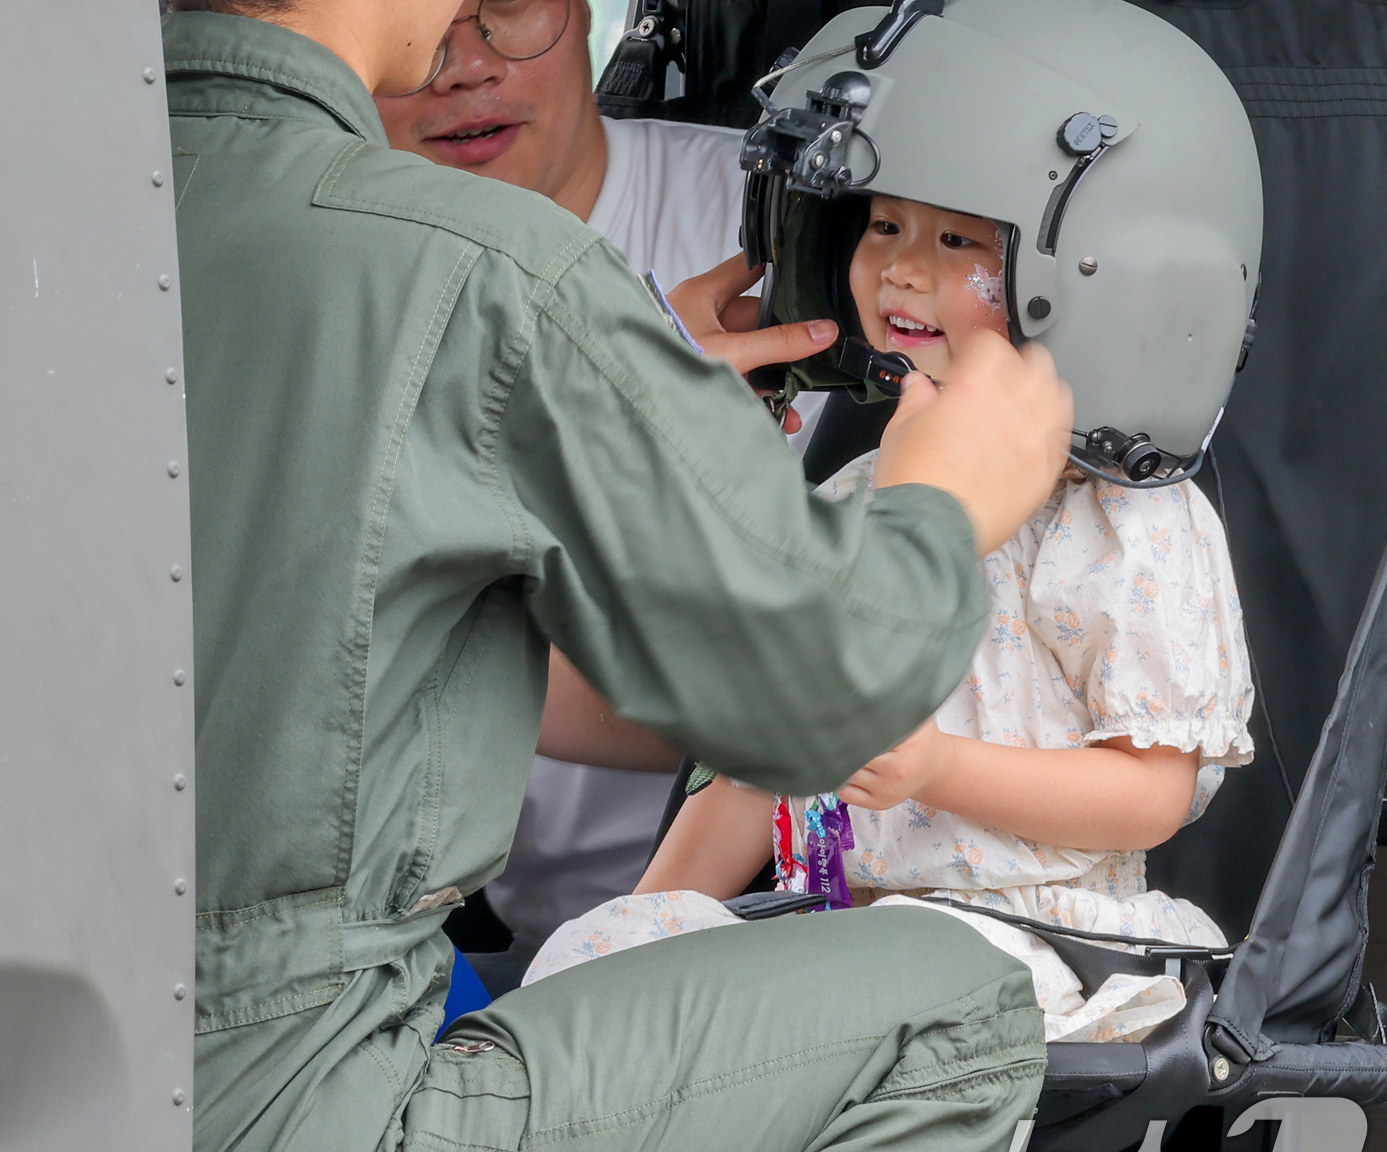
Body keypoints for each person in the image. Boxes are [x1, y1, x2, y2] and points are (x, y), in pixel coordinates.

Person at [132, 0, 1070, 1152]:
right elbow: (811, 693)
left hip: (74, 1074)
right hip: (295, 1135)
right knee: (953, 1009)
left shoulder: (67, 211)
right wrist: (941, 498)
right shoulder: (489, 270)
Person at [530, 186, 1254, 1045]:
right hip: (837, 931)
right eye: (884, 228)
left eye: (955, 239)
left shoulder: (1126, 525)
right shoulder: (853, 495)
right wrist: (641, 930)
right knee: (586, 957)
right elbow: (756, 772)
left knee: (858, 989)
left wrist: (937, 767)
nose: (904, 268)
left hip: (1031, 946)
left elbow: (1153, 793)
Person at [374, 0, 826, 952]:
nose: (463, 66)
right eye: (419, 19)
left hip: (750, 931)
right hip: (427, 940)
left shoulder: (771, 230)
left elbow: (814, 686)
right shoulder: (318, 274)